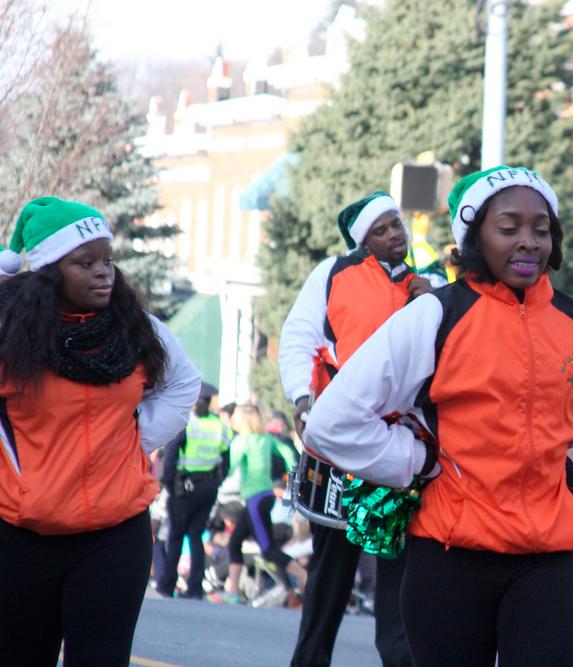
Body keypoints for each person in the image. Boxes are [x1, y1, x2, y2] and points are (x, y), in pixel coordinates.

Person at [303, 165, 573, 667]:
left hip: (547, 563)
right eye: (509, 227)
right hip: (449, 560)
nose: (528, 242)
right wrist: (416, 461)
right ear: (474, 236)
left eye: (541, 230)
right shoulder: (434, 317)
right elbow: (331, 422)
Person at [0, 196, 200, 666]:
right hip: (21, 536)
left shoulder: (136, 328)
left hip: (115, 534)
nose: (103, 272)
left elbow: (182, 384)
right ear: (49, 271)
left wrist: (132, 441)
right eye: (84, 262)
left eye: (107, 260)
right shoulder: (9, 333)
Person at [279, 191, 438, 667]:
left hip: (397, 448)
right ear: (362, 241)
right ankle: (310, 660)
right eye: (382, 229)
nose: (395, 234)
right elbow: (298, 337)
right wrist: (303, 401)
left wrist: (430, 297)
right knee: (332, 572)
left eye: (396, 224)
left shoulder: (426, 281)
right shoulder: (333, 273)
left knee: (398, 571)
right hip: (341, 446)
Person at [209, 404, 304, 605]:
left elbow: (230, 466)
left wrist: (214, 476)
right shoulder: (266, 439)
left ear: (242, 420)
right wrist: (292, 475)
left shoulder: (241, 441)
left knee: (267, 549)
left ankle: (303, 576)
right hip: (265, 496)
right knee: (235, 542)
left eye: (234, 417)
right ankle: (233, 591)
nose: (232, 420)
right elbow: (288, 453)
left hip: (254, 499)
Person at [156, 382, 229, 599]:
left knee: (176, 536)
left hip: (184, 487)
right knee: (196, 536)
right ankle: (195, 588)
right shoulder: (219, 426)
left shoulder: (186, 422)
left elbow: (170, 456)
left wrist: (168, 483)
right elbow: (226, 461)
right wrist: (217, 483)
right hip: (208, 487)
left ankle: (167, 584)